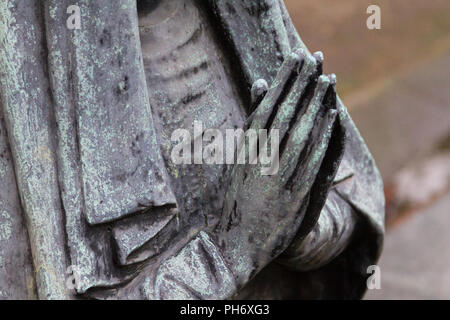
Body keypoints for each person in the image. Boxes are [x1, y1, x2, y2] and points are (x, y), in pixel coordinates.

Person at [0, 0, 384, 299]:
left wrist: (295, 222)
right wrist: (231, 253)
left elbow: (355, 196)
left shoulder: (242, 21)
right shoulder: (24, 95)